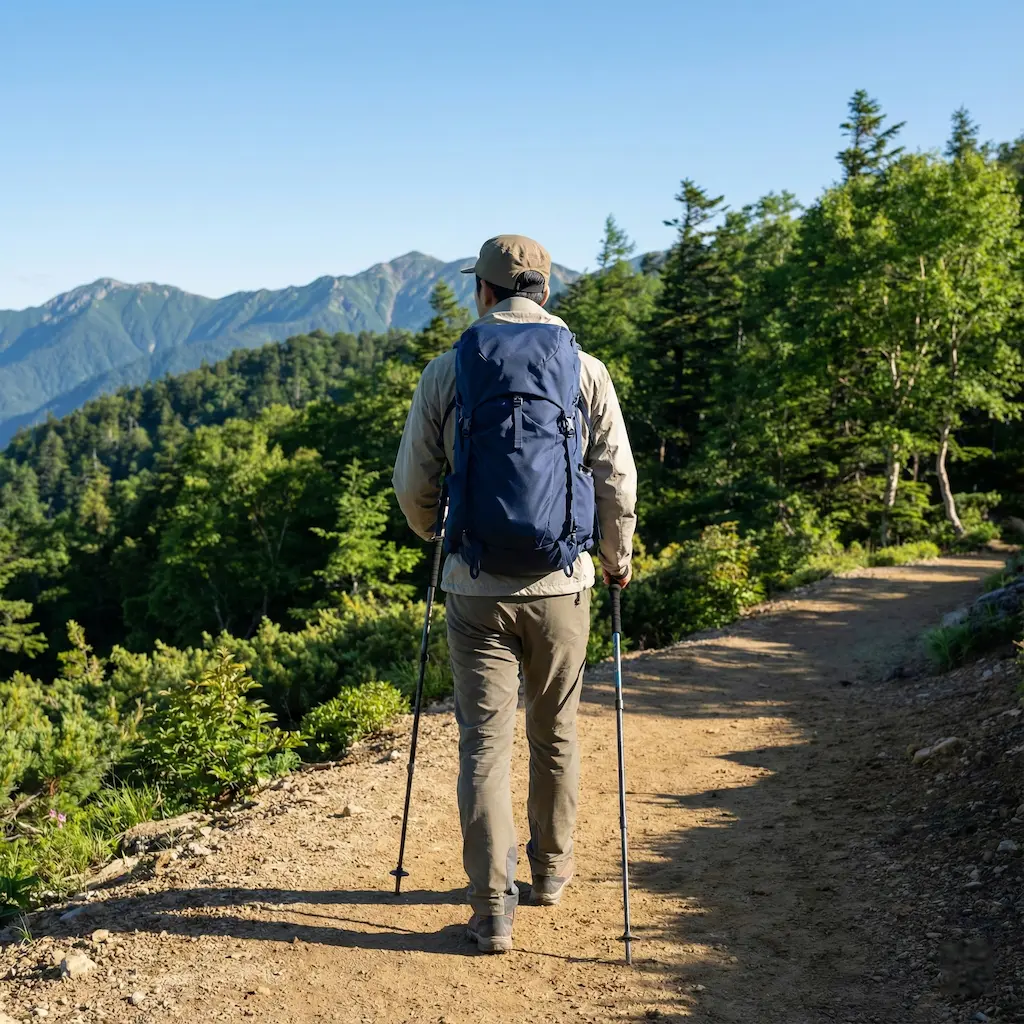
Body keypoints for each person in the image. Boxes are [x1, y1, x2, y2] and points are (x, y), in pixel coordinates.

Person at [393, 234, 637, 953]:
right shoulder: (586, 371)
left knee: (484, 746)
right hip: (564, 584)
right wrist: (616, 559)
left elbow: (414, 483)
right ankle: (551, 875)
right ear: (546, 292)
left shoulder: (450, 369)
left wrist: (435, 535)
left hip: (475, 587)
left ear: (486, 292)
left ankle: (490, 906)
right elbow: (615, 477)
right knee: (556, 732)